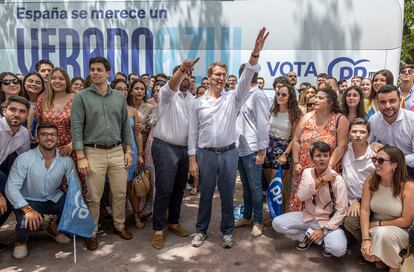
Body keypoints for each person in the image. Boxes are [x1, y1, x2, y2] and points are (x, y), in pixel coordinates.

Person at [189, 27, 268, 248]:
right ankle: (201, 231)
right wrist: (192, 159)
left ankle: (227, 231)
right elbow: (193, 134)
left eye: (224, 75)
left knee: (227, 195)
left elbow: (247, 76)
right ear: (209, 77)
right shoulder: (198, 103)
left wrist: (255, 51)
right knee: (205, 195)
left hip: (229, 153)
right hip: (205, 154)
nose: (221, 78)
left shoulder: (234, 98)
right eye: (217, 74)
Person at [71, 56, 134, 250]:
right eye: (92, 69)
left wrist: (129, 149)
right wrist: (80, 156)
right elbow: (76, 128)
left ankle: (119, 225)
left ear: (108, 73)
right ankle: (92, 232)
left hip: (116, 151)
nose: (95, 72)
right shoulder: (81, 97)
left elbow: (125, 126)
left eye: (99, 69)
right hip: (92, 152)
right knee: (94, 196)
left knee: (120, 193)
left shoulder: (118, 97)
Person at [5, 123, 75, 259]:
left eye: (52, 134)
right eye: (44, 134)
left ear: (58, 138)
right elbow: (11, 187)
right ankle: (21, 242)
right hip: (29, 200)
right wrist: (27, 210)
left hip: (53, 198)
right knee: (24, 223)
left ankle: (53, 228)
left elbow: (74, 186)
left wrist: (75, 204)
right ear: (37, 138)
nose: (49, 138)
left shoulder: (66, 160)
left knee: (72, 203)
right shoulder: (24, 158)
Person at [150, 59, 198, 250]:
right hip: (165, 147)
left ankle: (173, 222)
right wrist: (182, 69)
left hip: (185, 150)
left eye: (190, 76)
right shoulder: (167, 94)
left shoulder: (194, 100)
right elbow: (172, 85)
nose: (187, 78)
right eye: (184, 75)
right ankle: (158, 230)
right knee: (164, 189)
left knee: (179, 189)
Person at [273, 141, 348, 258]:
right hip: (308, 217)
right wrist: (320, 181)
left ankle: (323, 240)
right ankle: (308, 237)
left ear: (329, 157)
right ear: (312, 158)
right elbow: (301, 196)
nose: (322, 159)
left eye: (325, 155)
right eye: (318, 156)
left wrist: (324, 230)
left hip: (328, 221)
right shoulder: (307, 173)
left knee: (338, 249)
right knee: (277, 223)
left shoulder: (337, 179)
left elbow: (342, 210)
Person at [291, 88, 349, 212]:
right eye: (316, 97)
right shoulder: (307, 117)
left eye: (320, 98)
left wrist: (328, 169)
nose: (315, 100)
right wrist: (296, 162)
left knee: (322, 205)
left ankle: (322, 229)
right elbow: (296, 140)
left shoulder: (340, 119)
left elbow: (341, 146)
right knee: (301, 200)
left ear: (330, 102)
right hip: (303, 170)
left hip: (326, 170)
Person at [360, 146, 414, 271]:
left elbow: (406, 221)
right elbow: (364, 210)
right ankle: (389, 259)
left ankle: (393, 266)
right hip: (374, 230)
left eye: (381, 161)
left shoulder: (409, 187)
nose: (376, 164)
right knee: (376, 235)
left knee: (382, 234)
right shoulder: (371, 181)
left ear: (394, 165)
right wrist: (365, 239)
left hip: (400, 231)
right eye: (375, 159)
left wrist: (378, 224)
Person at [234, 63, 270, 238]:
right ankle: (247, 216)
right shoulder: (240, 94)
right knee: (246, 187)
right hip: (239, 148)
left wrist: (262, 150)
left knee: (256, 188)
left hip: (254, 149)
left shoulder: (258, 95)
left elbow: (263, 124)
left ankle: (258, 221)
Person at [113, 78, 145, 230]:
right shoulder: (108, 110)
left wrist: (140, 154)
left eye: (125, 89)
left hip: (130, 152)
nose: (123, 91)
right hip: (112, 152)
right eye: (119, 89)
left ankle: (137, 216)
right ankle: (118, 220)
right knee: (115, 189)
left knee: (131, 187)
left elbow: (137, 134)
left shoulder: (132, 111)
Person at [0, 96, 31, 251]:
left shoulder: (24, 133)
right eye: (12, 109)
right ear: (4, 110)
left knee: (9, 199)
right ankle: (23, 233)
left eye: (22, 111)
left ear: (27, 115)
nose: (17, 114)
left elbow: (24, 161)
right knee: (7, 195)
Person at [368, 84, 414, 179]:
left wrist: (395, 160)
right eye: (383, 102)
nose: (388, 106)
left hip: (409, 167)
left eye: (392, 101)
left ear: (400, 100)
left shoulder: (412, 120)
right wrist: (371, 144)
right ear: (377, 104)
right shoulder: (373, 120)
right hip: (383, 166)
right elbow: (366, 142)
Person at [342, 118, 375, 245]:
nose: (358, 135)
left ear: (368, 134)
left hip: (367, 201)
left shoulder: (375, 155)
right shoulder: (345, 150)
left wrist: (359, 201)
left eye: (362, 132)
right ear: (349, 133)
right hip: (345, 199)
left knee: (350, 222)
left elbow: (378, 186)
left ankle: (369, 247)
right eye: (354, 131)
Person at [263, 83, 301, 185]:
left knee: (276, 184)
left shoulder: (294, 113)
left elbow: (294, 138)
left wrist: (285, 154)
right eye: (278, 94)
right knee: (269, 185)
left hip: (283, 149)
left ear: (291, 96)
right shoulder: (272, 109)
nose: (280, 96)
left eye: (284, 94)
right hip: (268, 147)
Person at [22, 72, 45, 146]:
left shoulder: (46, 103)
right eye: (30, 81)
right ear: (24, 83)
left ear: (42, 87)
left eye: (38, 82)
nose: (34, 84)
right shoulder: (17, 102)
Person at [129, 79, 154, 147]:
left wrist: (144, 127)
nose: (139, 91)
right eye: (136, 88)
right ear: (131, 91)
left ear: (145, 93)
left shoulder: (150, 108)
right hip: (128, 144)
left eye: (142, 89)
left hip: (144, 144)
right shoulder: (126, 107)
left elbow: (153, 128)